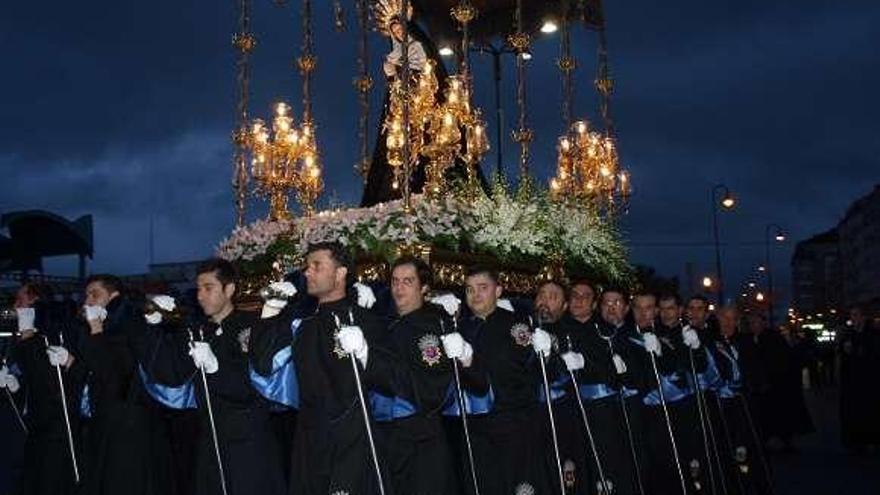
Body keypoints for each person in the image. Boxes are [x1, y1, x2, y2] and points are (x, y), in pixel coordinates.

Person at [250, 243, 396, 495]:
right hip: (309, 445)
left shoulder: (365, 320)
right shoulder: (303, 324)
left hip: (353, 444)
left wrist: (364, 352)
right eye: (307, 267)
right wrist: (270, 310)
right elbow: (262, 363)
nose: (308, 272)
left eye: (317, 266)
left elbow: (392, 380)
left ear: (340, 273)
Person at [145, 259, 286, 495]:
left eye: (208, 288)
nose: (200, 296)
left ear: (229, 289)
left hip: (248, 443)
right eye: (198, 288)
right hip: (209, 440)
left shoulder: (251, 327)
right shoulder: (196, 330)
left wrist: (215, 368)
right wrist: (152, 326)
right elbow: (168, 374)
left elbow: (255, 388)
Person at [375, 256, 486, 494]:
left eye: (407, 281)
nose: (399, 288)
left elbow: (430, 391)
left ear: (424, 288)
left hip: (419, 439)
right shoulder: (386, 324)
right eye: (395, 281)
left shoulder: (431, 327)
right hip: (387, 437)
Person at [74, 274, 176, 495]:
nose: (88, 300)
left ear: (114, 296)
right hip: (106, 421)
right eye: (86, 295)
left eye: (95, 294)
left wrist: (96, 330)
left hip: (127, 424)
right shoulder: (104, 326)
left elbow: (117, 378)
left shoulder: (127, 323)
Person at [457, 266, 552, 495]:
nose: (475, 295)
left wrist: (547, 355)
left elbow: (534, 372)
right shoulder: (459, 329)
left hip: (514, 425)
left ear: (498, 291)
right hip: (474, 429)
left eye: (483, 288)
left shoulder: (517, 326)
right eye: (470, 289)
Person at [6, 282, 83, 495]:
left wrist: (28, 336)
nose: (16, 304)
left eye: (20, 299)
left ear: (34, 300)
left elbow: (52, 381)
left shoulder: (51, 332)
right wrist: (14, 386)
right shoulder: (25, 336)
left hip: (56, 428)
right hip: (36, 424)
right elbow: (32, 381)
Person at [709, 306, 773, 495]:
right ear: (717, 319)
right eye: (724, 319)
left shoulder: (745, 342)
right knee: (726, 451)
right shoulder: (710, 343)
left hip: (745, 405)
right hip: (720, 407)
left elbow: (758, 372)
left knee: (749, 450)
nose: (728, 323)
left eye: (733, 319)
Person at [838, 306, 880, 452]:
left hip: (870, 380)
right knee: (854, 411)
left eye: (856, 315)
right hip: (852, 380)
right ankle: (855, 441)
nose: (853, 318)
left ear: (863, 317)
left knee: (870, 410)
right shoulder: (848, 335)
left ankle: (871, 440)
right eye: (851, 315)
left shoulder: (873, 334)